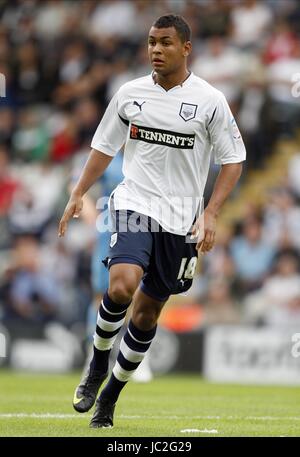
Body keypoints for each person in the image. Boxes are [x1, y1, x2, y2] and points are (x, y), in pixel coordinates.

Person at [58, 14, 245, 429]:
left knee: (145, 316)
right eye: (150, 42)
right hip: (133, 204)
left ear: (185, 48)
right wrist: (78, 193)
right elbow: (104, 147)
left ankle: (109, 397)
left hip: (180, 221)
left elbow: (233, 160)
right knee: (122, 283)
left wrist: (210, 213)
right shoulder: (129, 93)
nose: (155, 50)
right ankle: (96, 366)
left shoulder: (210, 100)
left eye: (164, 43)